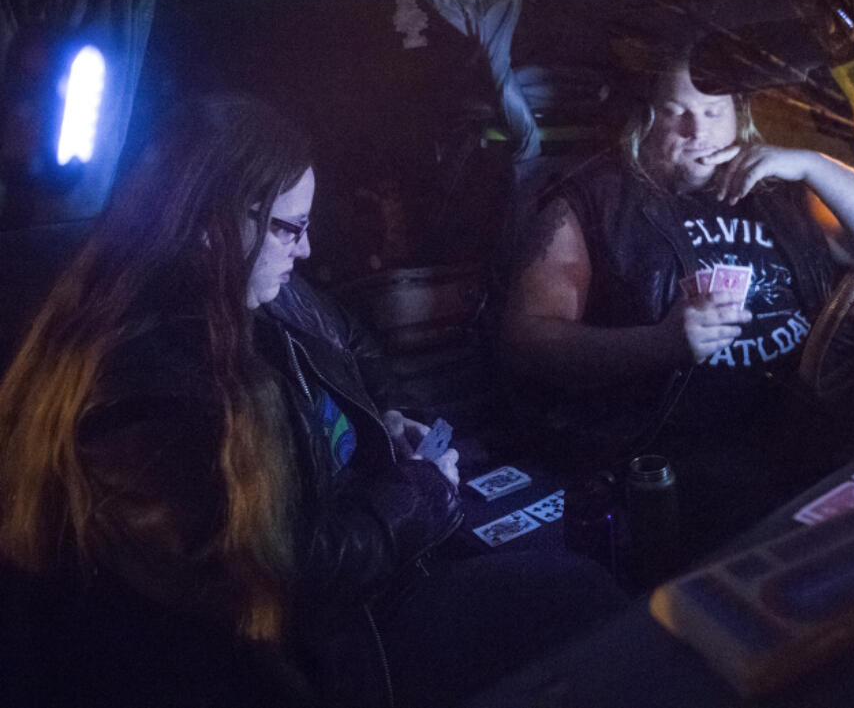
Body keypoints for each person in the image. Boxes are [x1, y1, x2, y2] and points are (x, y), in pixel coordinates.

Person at [0, 94, 619, 707]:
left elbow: (358, 351)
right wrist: (416, 502)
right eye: (289, 228)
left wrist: (391, 421)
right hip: (324, 648)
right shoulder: (136, 388)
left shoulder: (266, 296)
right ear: (215, 223)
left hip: (375, 571)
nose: (307, 250)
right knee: (582, 599)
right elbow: (268, 572)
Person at [502, 53, 854, 550]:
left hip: (799, 429)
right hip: (676, 456)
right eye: (677, 111)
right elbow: (528, 337)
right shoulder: (593, 200)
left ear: (739, 117)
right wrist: (659, 344)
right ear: (644, 119)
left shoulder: (780, 190)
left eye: (714, 111)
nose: (697, 129)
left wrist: (810, 164)